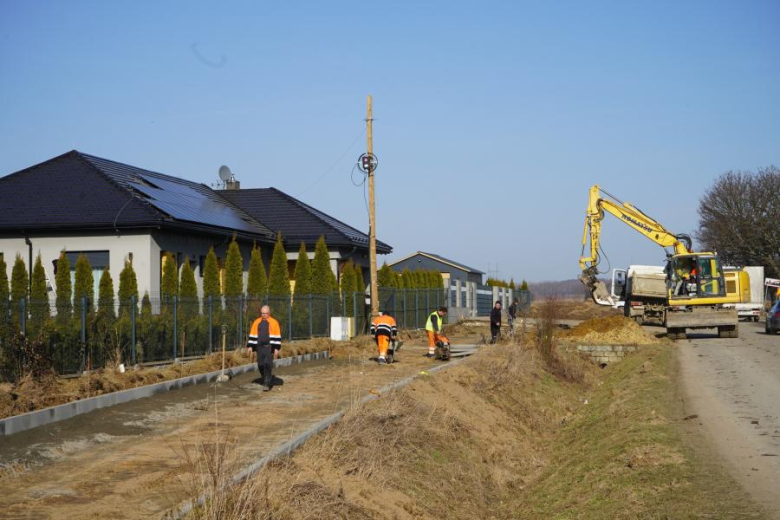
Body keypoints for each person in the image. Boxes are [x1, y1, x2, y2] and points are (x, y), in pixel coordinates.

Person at [246, 305, 282, 392]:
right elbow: (253, 334)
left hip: (269, 347)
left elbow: (277, 335)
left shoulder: (274, 322)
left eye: (266, 313)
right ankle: (265, 377)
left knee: (268, 364)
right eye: (262, 313)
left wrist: (276, 348)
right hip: (259, 348)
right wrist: (250, 346)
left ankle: (267, 383)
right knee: (261, 365)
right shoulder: (256, 322)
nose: (264, 315)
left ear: (269, 313)